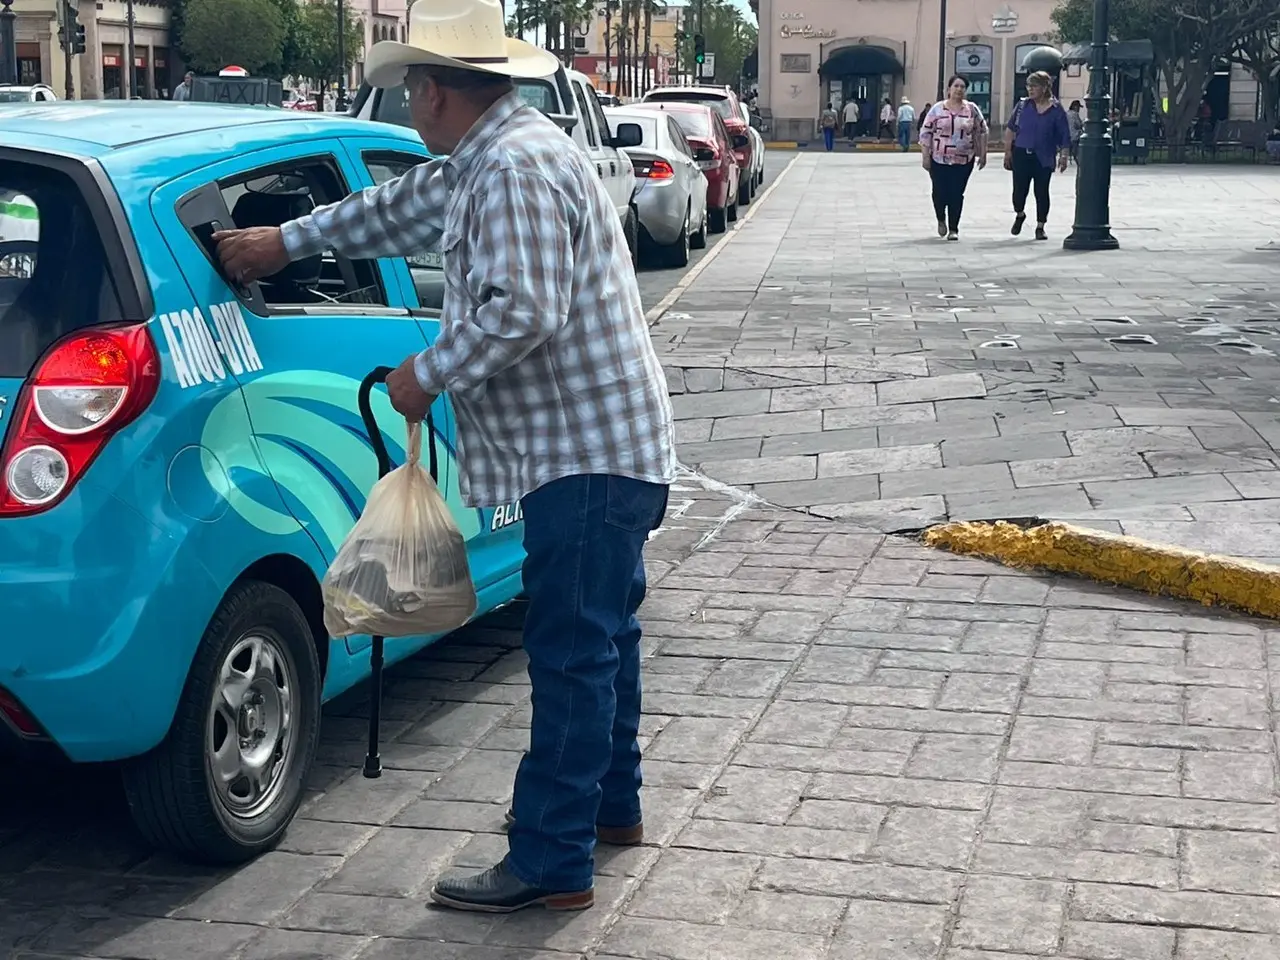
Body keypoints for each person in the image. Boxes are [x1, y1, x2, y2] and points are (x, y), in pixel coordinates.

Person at [214, 0, 676, 915]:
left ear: (430, 92)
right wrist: (284, 241)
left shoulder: (513, 168)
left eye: (410, 91)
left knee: (574, 651)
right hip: (599, 449)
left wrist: (426, 372)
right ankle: (607, 811)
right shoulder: (489, 158)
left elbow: (522, 309)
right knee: (602, 640)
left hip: (584, 456)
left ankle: (550, 860)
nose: (409, 106)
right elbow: (399, 207)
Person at [918, 75, 988, 241]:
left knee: (957, 193)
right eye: (955, 86)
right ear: (949, 89)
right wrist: (925, 156)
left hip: (964, 159)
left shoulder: (971, 109)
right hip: (939, 159)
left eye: (962, 87)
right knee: (939, 192)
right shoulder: (937, 109)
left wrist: (983, 154)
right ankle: (941, 219)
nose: (959, 89)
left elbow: (983, 130)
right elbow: (926, 132)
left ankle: (954, 228)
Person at [1003, 71, 1071, 240]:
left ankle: (1040, 226)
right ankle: (1020, 214)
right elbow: (1011, 129)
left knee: (1041, 192)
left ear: (1045, 87)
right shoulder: (1022, 106)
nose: (1030, 89)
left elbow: (1064, 134)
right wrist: (1007, 152)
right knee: (1019, 192)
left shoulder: (1056, 109)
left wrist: (1063, 155)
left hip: (1044, 156)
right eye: (1028, 86)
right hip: (1021, 154)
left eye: (1034, 86)